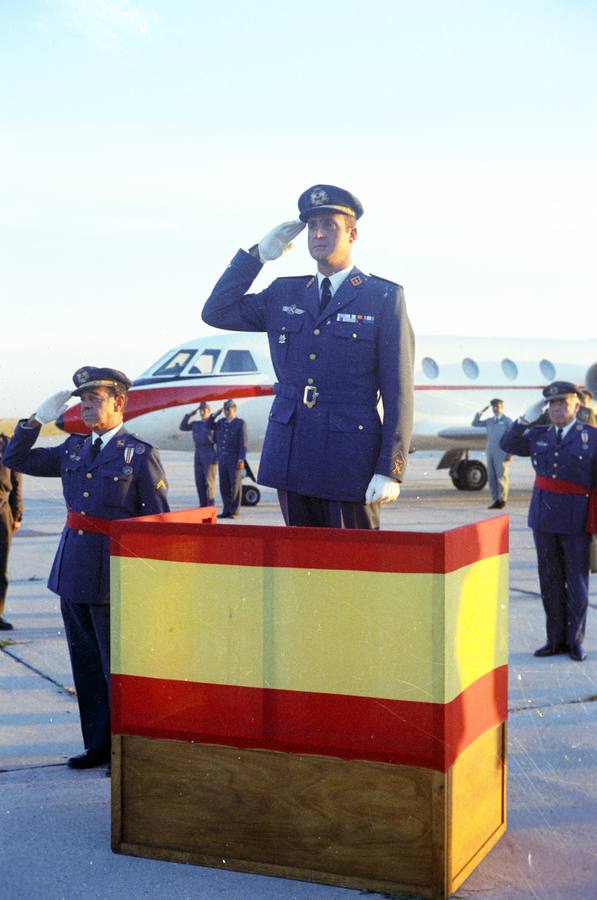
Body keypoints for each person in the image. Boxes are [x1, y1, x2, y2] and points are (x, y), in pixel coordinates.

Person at [202, 183, 414, 529]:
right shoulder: (284, 292)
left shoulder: (382, 297)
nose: (318, 233)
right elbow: (217, 311)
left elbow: (399, 391)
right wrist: (256, 255)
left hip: (350, 461)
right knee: (301, 568)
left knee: (352, 569)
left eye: (329, 224)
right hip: (293, 453)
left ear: (352, 233)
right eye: (312, 226)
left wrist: (390, 468)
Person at [4, 367, 170, 768]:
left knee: (119, 672)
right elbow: (13, 457)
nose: (87, 406)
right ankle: (97, 745)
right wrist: (35, 420)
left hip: (114, 577)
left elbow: (159, 527)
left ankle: (125, 754)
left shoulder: (140, 454)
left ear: (119, 402)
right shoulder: (73, 449)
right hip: (73, 571)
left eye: (95, 398)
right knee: (86, 667)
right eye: (83, 400)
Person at [500, 381, 597, 662]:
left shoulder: (590, 436)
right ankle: (554, 640)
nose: (556, 409)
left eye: (563, 403)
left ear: (576, 406)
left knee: (576, 584)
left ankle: (575, 641)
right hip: (543, 518)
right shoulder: (538, 435)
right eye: (552, 404)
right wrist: (525, 418)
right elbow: (506, 443)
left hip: (576, 520)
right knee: (550, 581)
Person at [471, 398, 513, 508]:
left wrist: (510, 453)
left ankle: (502, 499)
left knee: (501, 476)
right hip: (490, 452)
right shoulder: (490, 421)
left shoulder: (507, 421)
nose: (495, 408)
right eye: (494, 407)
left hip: (502, 453)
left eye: (497, 406)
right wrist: (481, 412)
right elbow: (475, 423)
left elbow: (514, 437)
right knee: (491, 477)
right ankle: (495, 500)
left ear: (502, 407)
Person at [0, 434, 23, 630]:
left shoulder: (8, 443)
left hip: (2, 511)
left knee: (0, 568)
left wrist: (17, 515)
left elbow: (16, 482)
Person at [179, 401, 220, 506]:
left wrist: (217, 457)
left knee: (209, 482)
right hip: (198, 452)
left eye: (205, 410)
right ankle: (203, 505)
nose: (203, 412)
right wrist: (189, 414)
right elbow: (182, 426)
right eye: (201, 410)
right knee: (199, 481)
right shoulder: (195, 424)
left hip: (209, 452)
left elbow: (218, 439)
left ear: (209, 411)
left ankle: (210, 505)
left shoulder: (212, 425)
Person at [214, 399, 247, 518]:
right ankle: (226, 510)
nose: (227, 411)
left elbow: (243, 443)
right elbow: (208, 425)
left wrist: (241, 459)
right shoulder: (221, 422)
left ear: (234, 409)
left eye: (229, 409)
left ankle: (235, 511)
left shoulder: (240, 423)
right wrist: (215, 414)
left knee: (235, 486)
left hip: (234, 459)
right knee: (224, 486)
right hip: (222, 459)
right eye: (225, 409)